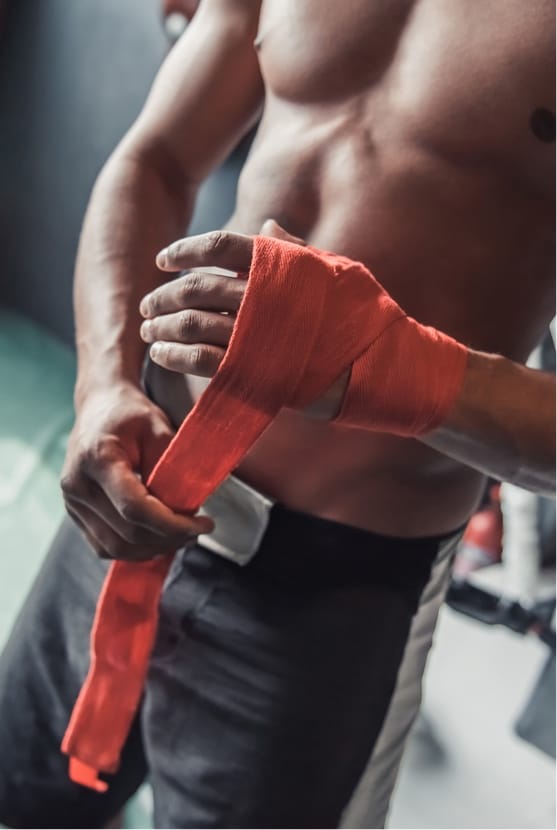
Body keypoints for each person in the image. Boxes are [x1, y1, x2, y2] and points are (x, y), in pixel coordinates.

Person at [0, 1, 554, 827]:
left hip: (337, 589)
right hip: (137, 482)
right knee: (20, 796)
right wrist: (105, 387)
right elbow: (155, 159)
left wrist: (392, 365)